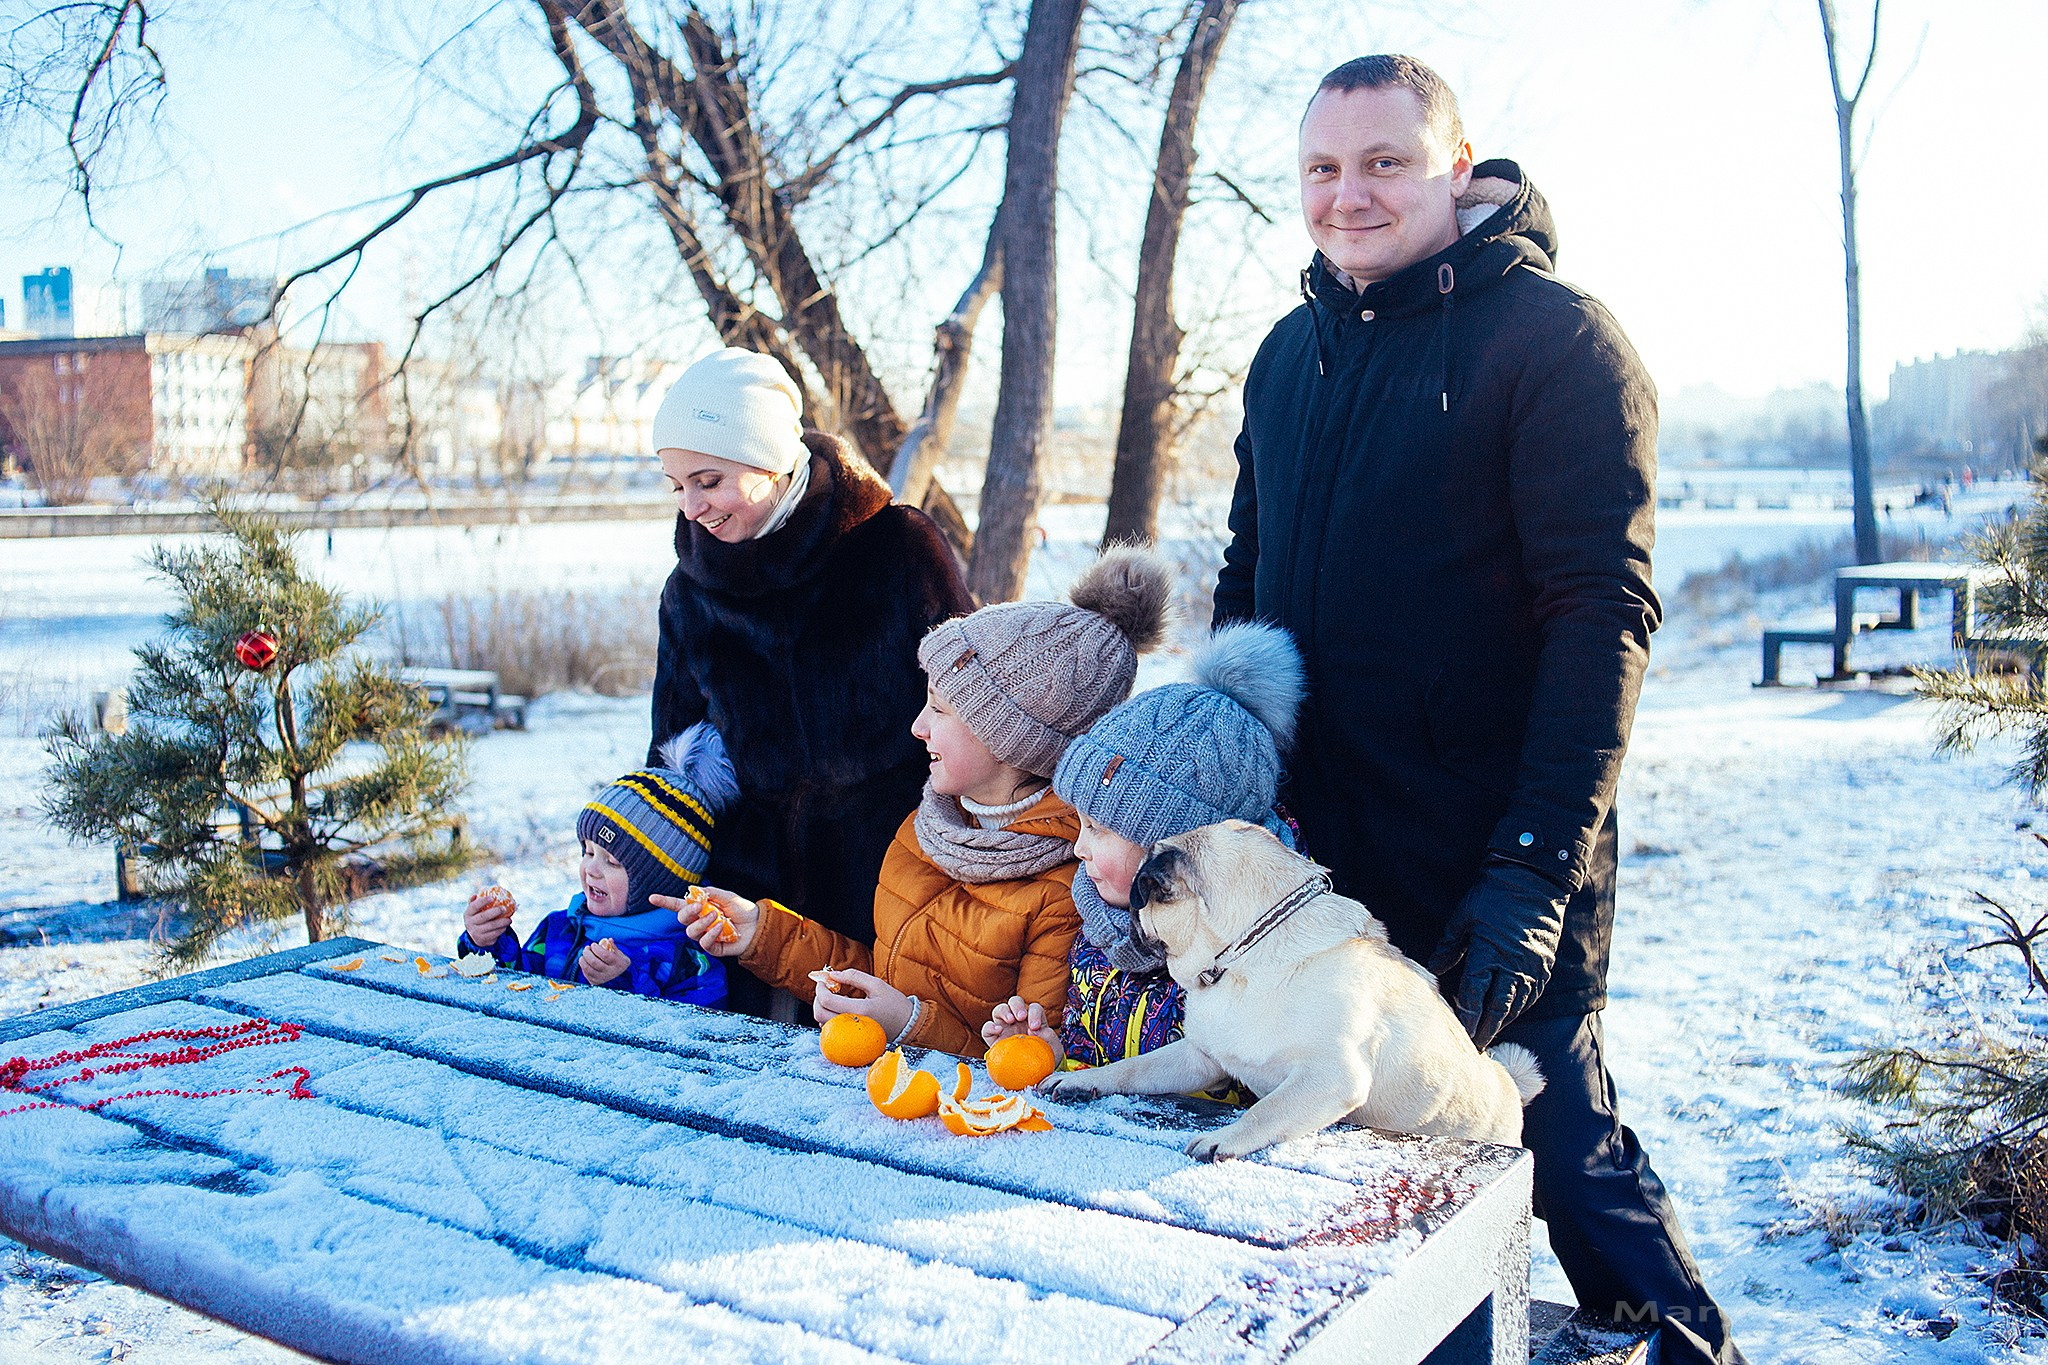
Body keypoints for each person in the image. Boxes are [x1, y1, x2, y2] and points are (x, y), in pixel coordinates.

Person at [1210, 55, 1743, 1365]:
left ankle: (1687, 1348)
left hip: (1497, 853)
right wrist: (1222, 764)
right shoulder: (1290, 355)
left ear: (1454, 170)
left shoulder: (1554, 343)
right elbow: (1246, 573)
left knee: (1551, 1139)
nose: (1350, 195)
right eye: (1324, 169)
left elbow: (1600, 621)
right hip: (1327, 856)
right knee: (1366, 1147)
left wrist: (1529, 876)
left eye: (1385, 162)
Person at [669, 547, 1174, 1057]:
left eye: (940, 709)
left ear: (1009, 738)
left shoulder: (1066, 888)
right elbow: (888, 976)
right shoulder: (928, 826)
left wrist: (907, 1023)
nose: (918, 727)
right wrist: (762, 931)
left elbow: (1035, 1061)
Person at [647, 347, 974, 1019]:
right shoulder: (689, 595)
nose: (692, 507)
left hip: (893, 885)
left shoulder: (896, 549)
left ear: (770, 458)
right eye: (677, 485)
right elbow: (669, 759)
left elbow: (980, 712)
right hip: (745, 916)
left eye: (707, 480)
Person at [979, 621, 1303, 1077]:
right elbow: (1091, 1061)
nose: (1078, 849)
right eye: (1081, 824)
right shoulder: (1101, 928)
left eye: (1100, 829)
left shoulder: (1258, 963)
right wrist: (1051, 1058)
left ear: (1178, 849)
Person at [458, 723, 735, 1005]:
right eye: (588, 852)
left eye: (612, 861)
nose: (590, 869)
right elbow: (513, 994)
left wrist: (625, 985)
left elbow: (696, 1034)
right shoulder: (558, 930)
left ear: (659, 882)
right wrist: (486, 944)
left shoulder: (688, 961)